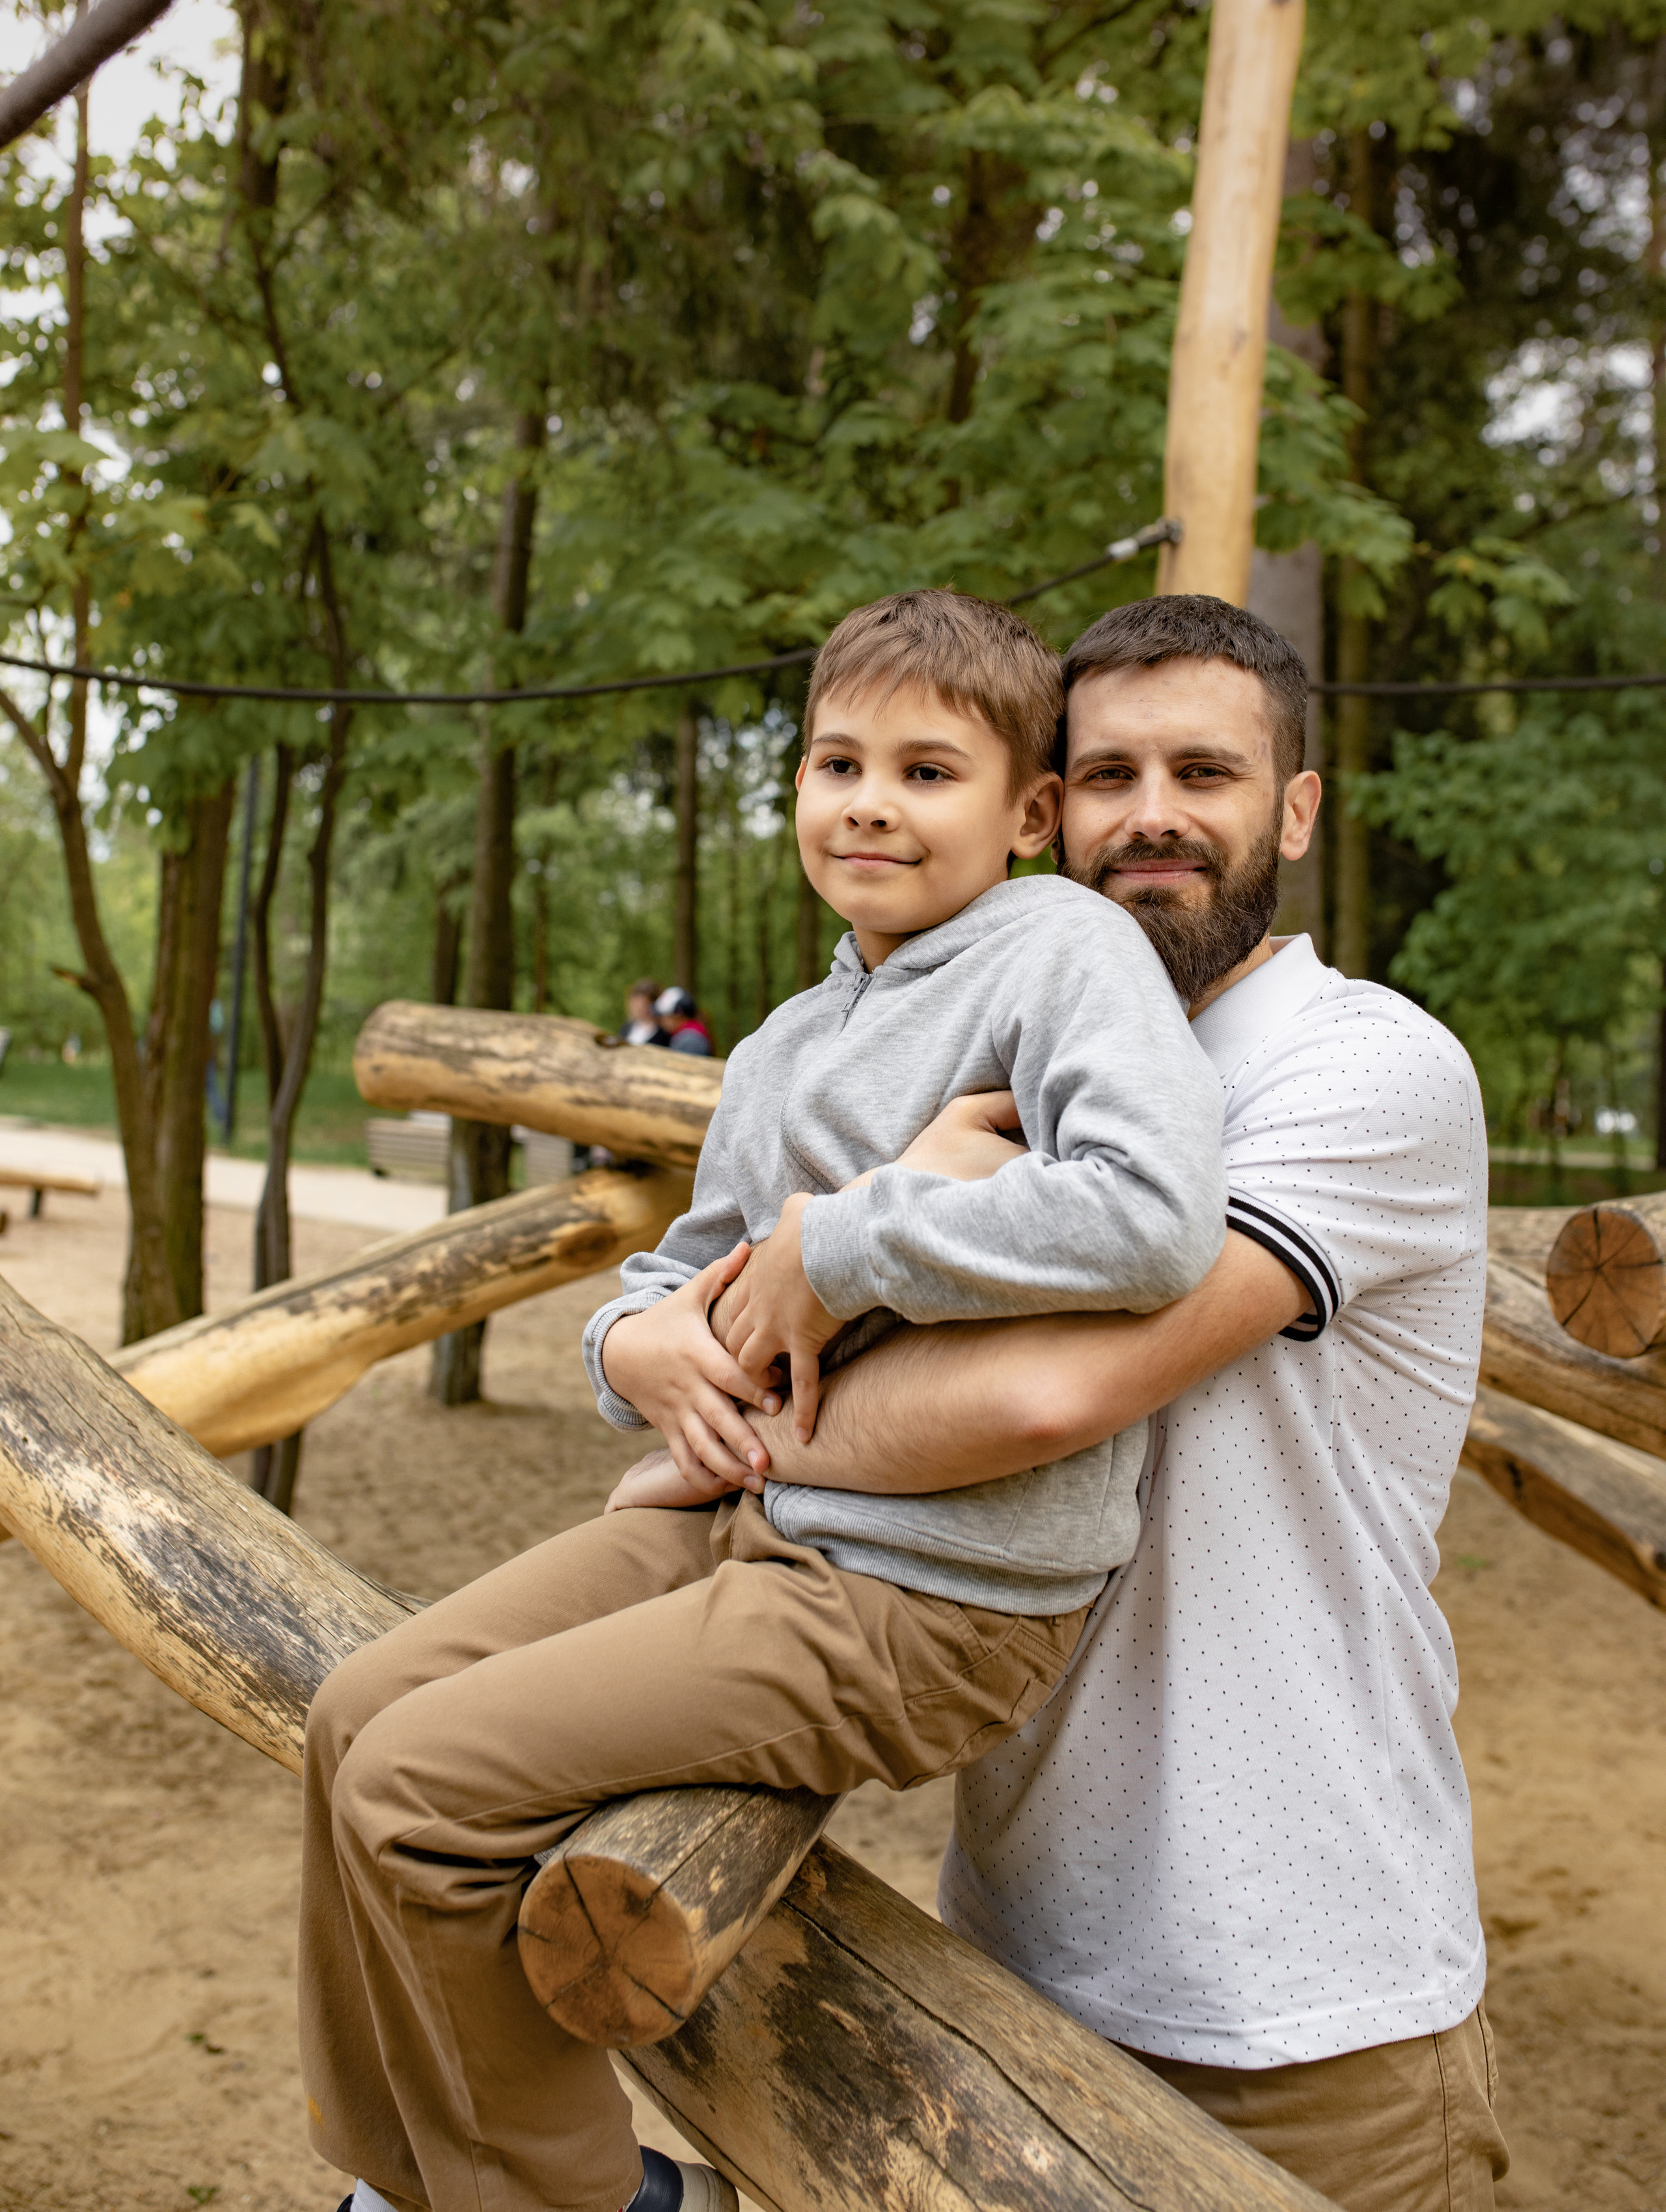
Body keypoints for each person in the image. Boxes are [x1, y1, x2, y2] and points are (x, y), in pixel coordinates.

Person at [299, 589, 1228, 2212]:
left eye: (926, 771)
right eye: (835, 760)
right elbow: (686, 1275)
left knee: (417, 1787)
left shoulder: (1059, 951)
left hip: (923, 1591)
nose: (868, 799)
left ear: (1026, 813)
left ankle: (575, 2202)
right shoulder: (787, 1037)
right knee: (349, 1716)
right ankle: (397, 2174)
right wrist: (628, 1350)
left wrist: (851, 1234)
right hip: (742, 1517)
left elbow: (1151, 1214)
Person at [712, 594, 1505, 2212]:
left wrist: (722, 1438)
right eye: (1103, 773)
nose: (1147, 815)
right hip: (1015, 1930)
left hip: (1303, 1992)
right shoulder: (992, 1062)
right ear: (1038, 810)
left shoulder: (1358, 1069)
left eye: (1202, 771)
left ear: (1290, 809)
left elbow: (1053, 1392)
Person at [652, 985, 713, 1055]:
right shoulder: (685, 1035)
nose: (661, 1021)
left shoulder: (690, 1041)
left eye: (664, 1016)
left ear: (678, 1014)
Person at [617, 978, 667, 1046]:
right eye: (635, 1002)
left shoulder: (663, 1032)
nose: (637, 1007)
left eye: (643, 1003)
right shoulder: (628, 1027)